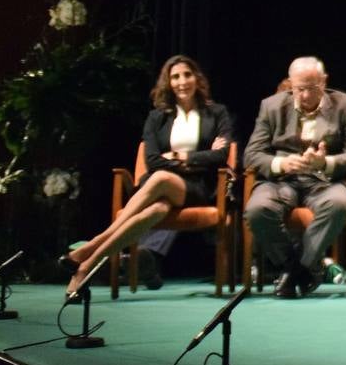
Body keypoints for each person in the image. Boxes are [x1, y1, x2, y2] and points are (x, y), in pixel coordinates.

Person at [63, 55, 233, 295]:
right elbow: (152, 160)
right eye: (175, 77)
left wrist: (182, 158)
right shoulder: (156, 117)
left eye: (187, 75)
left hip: (197, 188)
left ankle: (91, 246)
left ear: (197, 78)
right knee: (157, 209)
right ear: (168, 82)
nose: (182, 81)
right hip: (159, 187)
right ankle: (85, 268)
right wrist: (196, 158)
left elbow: (222, 155)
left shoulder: (217, 113)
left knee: (161, 178)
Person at [243, 56, 346, 298]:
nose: (306, 95)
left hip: (324, 180)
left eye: (312, 88)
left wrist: (326, 162)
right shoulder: (272, 106)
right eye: (299, 89)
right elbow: (252, 154)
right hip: (281, 180)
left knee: (339, 204)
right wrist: (281, 163)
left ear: (324, 81)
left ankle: (297, 269)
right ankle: (302, 267)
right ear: (291, 84)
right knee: (257, 210)